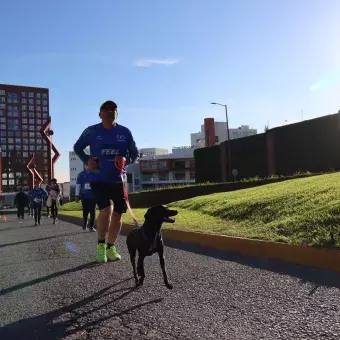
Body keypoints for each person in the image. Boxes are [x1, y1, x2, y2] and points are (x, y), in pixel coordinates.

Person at [73, 100, 139, 263]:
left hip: (117, 179)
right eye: (106, 109)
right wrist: (87, 160)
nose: (110, 111)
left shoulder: (125, 132)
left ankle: (111, 247)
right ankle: (100, 245)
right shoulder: (91, 131)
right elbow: (77, 147)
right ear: (100, 114)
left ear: (117, 113)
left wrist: (126, 159)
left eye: (113, 109)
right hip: (98, 177)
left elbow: (134, 152)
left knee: (118, 213)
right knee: (106, 209)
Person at [75, 165, 96, 232]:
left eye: (89, 164)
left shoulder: (94, 173)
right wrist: (77, 195)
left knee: (93, 212)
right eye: (86, 165)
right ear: (84, 166)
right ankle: (85, 223)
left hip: (93, 196)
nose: (88, 166)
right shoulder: (81, 174)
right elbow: (78, 185)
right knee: (85, 211)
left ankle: (91, 226)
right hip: (84, 196)